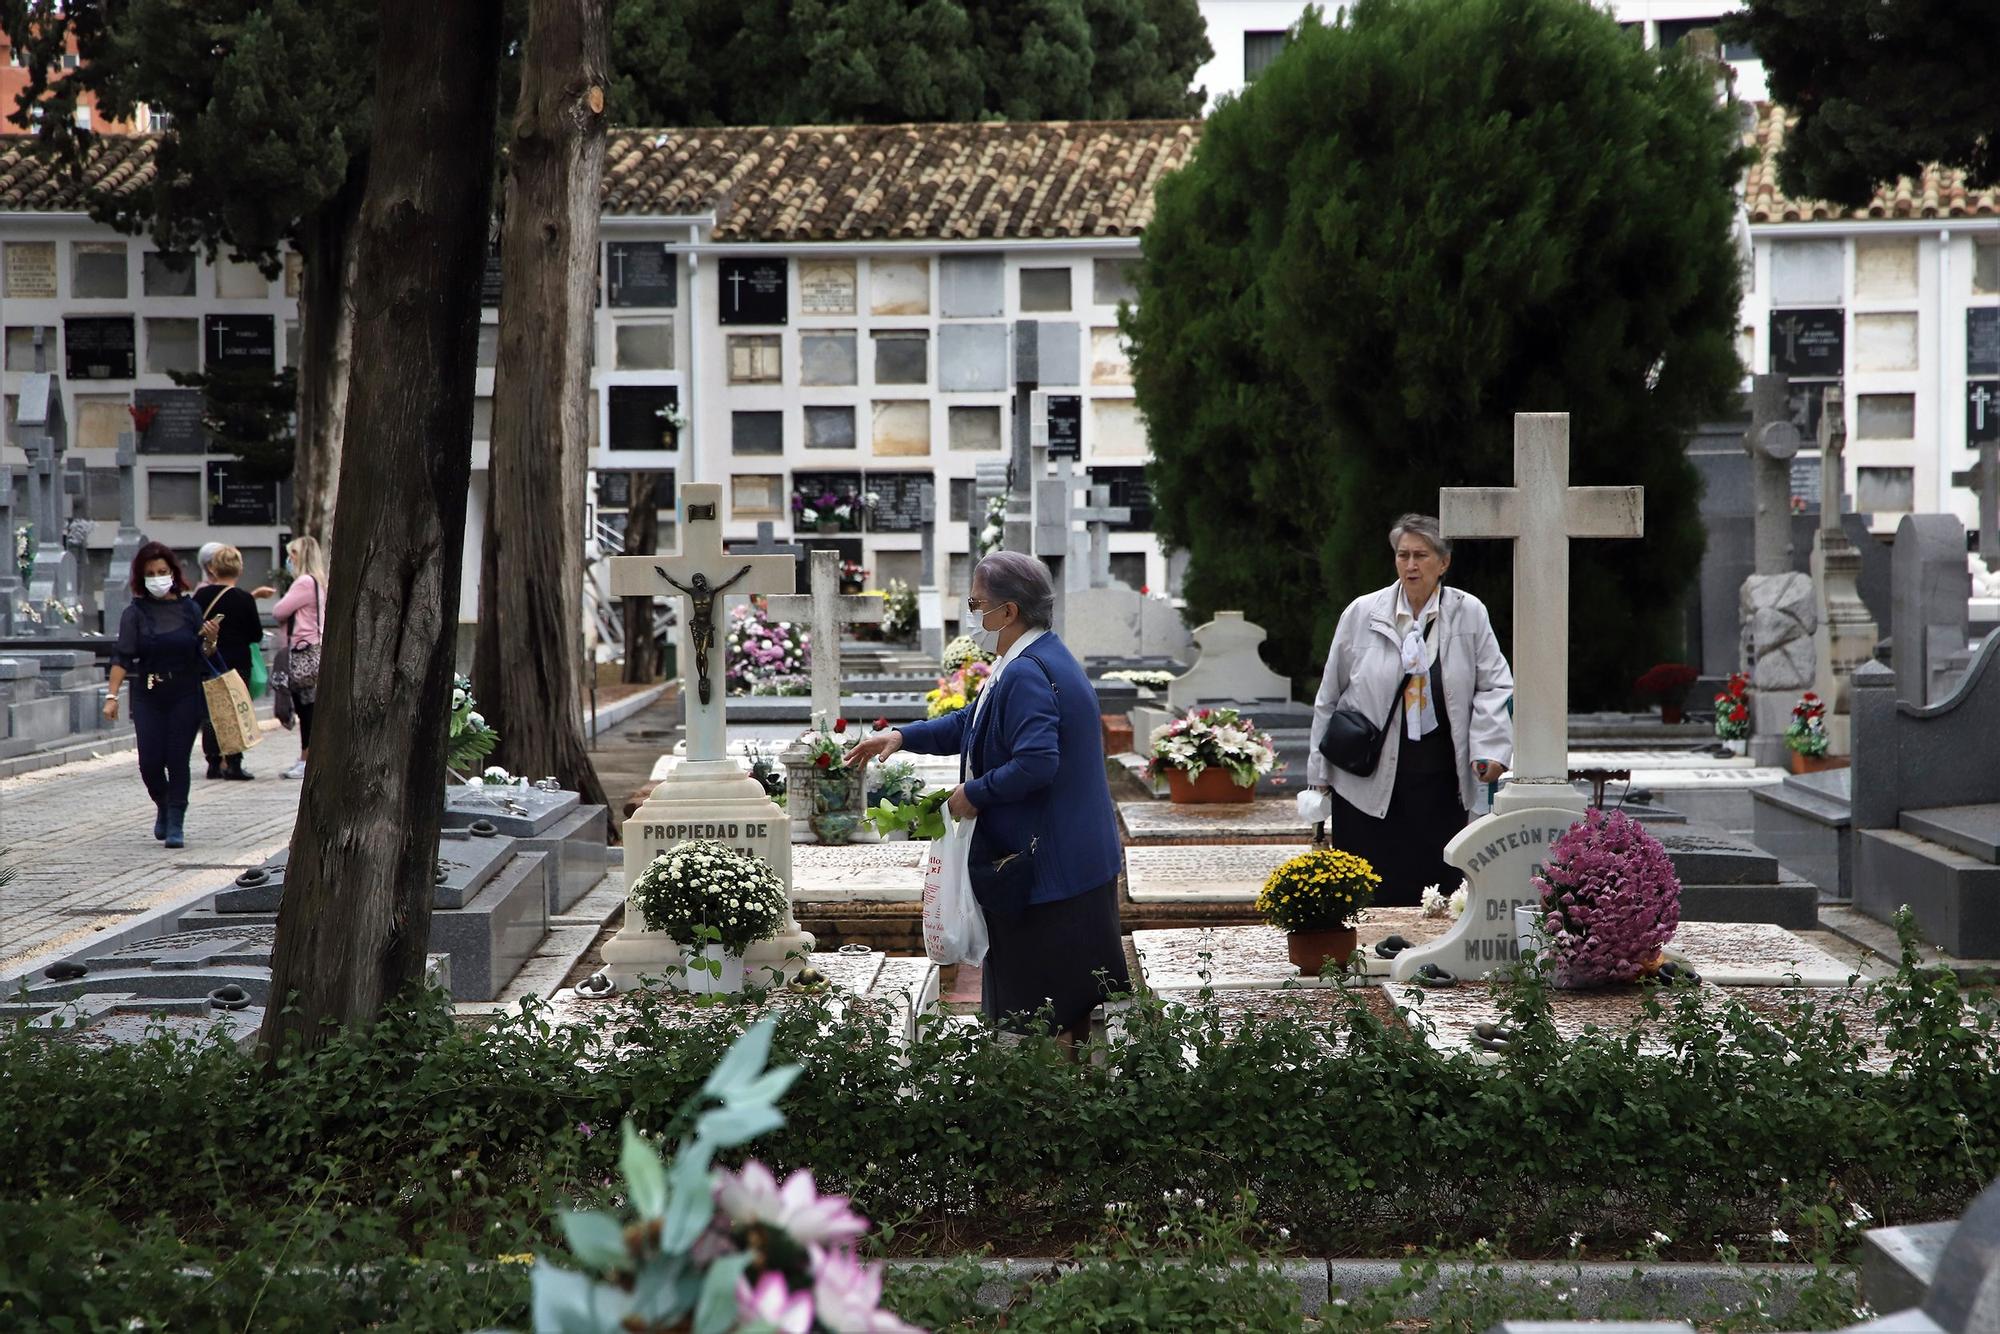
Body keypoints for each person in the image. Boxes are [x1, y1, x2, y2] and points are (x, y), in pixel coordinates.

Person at [845, 551, 1128, 1042]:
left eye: (977, 603)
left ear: (1010, 611)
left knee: (1047, 1016)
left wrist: (971, 795)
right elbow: (971, 723)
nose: (972, 615)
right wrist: (903, 737)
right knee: (1067, 1011)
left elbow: (1038, 762)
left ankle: (1050, 1106)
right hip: (1069, 863)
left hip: (1050, 875)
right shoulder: (1032, 657)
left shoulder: (1026, 671)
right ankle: (1069, 1101)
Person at [1306, 513, 1515, 906]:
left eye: (1421, 555)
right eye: (1403, 555)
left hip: (1439, 780)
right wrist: (1318, 777)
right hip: (1367, 782)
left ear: (1444, 562)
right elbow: (1329, 695)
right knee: (1371, 891)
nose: (1411, 565)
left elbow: (1494, 684)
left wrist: (1489, 748)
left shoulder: (1468, 613)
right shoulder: (1362, 613)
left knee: (1439, 889)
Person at [104, 542, 221, 849]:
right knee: (150, 762)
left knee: (177, 759)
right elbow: (122, 656)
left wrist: (211, 640)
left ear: (172, 573)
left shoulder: (189, 609)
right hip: (149, 692)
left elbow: (203, 653)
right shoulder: (136, 613)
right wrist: (112, 695)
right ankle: (164, 802)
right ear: (142, 578)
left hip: (185, 691)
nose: (157, 577)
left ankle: (176, 821)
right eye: (151, 573)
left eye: (162, 572)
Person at [253, 535, 325, 781]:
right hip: (312, 650)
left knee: (306, 709)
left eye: (292, 555)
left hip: (301, 652)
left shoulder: (304, 582)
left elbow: (279, 610)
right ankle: (306, 757)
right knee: (308, 708)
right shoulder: (317, 581)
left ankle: (306, 759)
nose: (288, 560)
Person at [194, 544, 265, 780]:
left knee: (210, 712)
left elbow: (192, 626)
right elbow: (256, 634)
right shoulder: (244, 599)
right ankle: (234, 762)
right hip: (236, 662)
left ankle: (213, 762)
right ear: (239, 570)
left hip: (207, 660)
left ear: (213, 569)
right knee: (235, 710)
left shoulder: (201, 596)